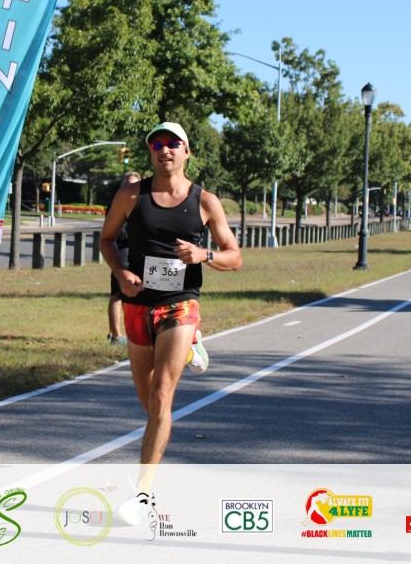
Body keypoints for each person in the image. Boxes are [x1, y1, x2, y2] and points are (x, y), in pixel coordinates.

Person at [99, 121, 241, 525]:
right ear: (151, 153)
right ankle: (192, 348)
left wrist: (204, 255)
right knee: (149, 404)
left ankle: (142, 496)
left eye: (173, 143)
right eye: (157, 144)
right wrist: (121, 272)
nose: (165, 150)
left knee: (162, 397)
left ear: (186, 151)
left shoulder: (205, 201)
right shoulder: (131, 195)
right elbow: (106, 239)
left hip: (180, 304)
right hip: (137, 305)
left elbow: (234, 256)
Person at [108, 171, 142, 345]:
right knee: (117, 294)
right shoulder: (117, 204)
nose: (132, 188)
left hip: (140, 254)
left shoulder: (143, 203)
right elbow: (114, 234)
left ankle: (134, 333)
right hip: (122, 252)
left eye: (135, 184)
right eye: (128, 184)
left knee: (135, 295)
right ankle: (115, 335)